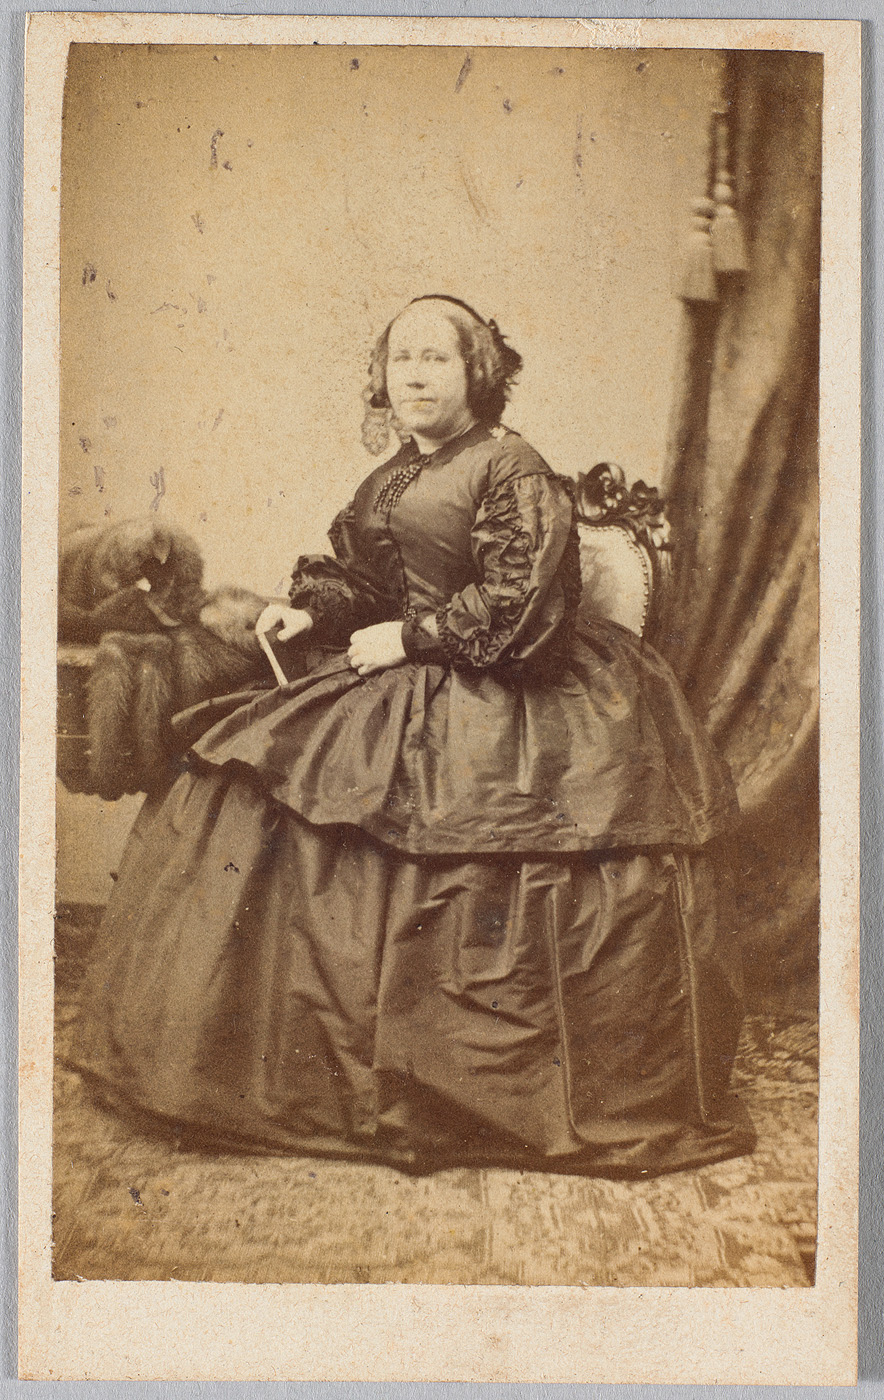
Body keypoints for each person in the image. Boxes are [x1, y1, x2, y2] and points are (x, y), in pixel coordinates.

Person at [75, 294, 755, 1176]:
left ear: (479, 372)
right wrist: (310, 610)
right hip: (410, 667)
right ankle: (294, 1073)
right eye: (402, 359)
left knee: (472, 833)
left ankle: (450, 1080)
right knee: (245, 782)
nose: (416, 376)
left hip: (514, 688)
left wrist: (410, 639)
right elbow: (364, 577)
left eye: (437, 358)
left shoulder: (512, 467)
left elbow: (523, 604)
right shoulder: (393, 474)